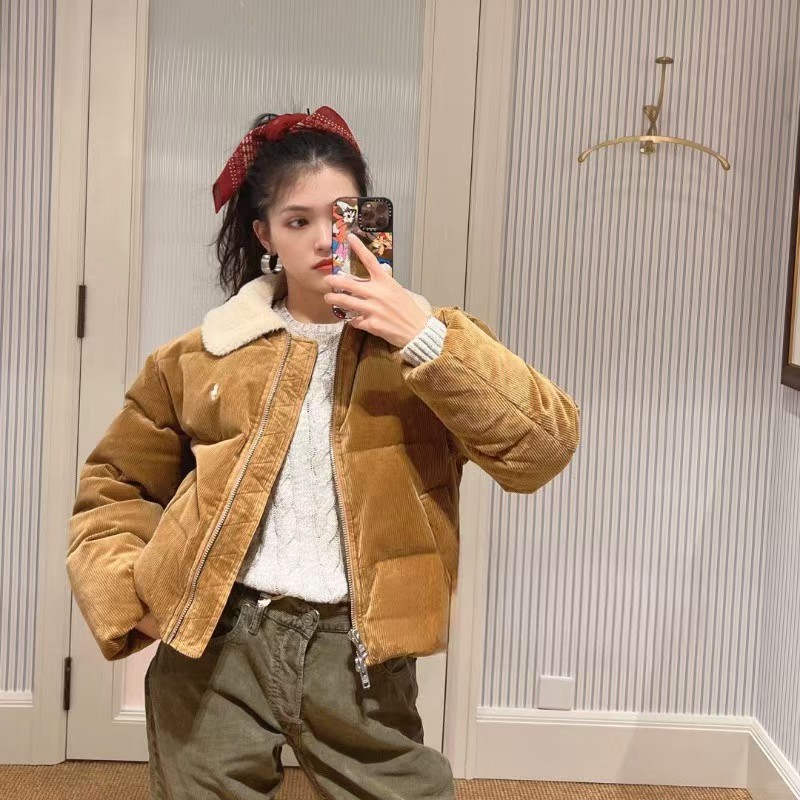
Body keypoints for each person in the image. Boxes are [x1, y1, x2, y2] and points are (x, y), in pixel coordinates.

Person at [66, 105, 581, 799]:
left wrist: (422, 335)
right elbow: (115, 484)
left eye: (340, 216)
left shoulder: (424, 347)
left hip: (357, 654)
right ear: (265, 235)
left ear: (368, 218)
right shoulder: (204, 354)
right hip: (219, 643)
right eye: (297, 220)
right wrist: (133, 598)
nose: (321, 238)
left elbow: (543, 449)